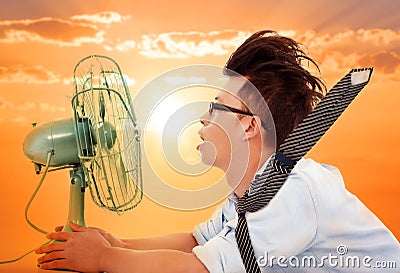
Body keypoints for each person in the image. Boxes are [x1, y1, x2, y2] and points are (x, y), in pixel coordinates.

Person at [35, 30, 400, 272]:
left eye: (215, 107)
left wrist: (103, 258)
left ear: (248, 125)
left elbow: (205, 269)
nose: (202, 117)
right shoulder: (247, 193)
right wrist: (119, 242)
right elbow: (196, 242)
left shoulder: (291, 190)